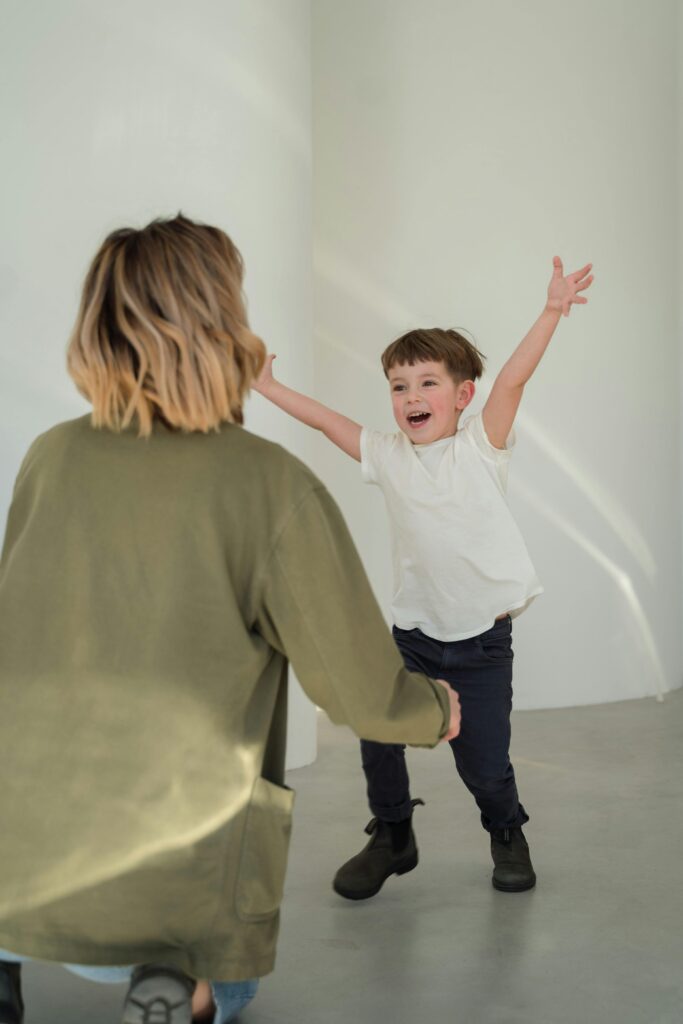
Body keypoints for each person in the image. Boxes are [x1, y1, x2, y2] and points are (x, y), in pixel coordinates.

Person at [0, 215, 461, 1024]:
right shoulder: (267, 484)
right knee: (216, 930)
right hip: (173, 852)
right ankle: (183, 979)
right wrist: (429, 709)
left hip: (27, 838)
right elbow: (351, 680)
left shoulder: (48, 456)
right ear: (224, 328)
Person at [253, 256, 593, 900]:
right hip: (411, 634)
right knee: (379, 730)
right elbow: (329, 421)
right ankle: (392, 835)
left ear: (462, 395)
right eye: (398, 386)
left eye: (427, 384)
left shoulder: (479, 448)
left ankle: (505, 829)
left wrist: (550, 310)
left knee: (485, 766)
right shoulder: (387, 454)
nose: (411, 398)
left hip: (480, 643)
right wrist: (268, 388)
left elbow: (513, 382)